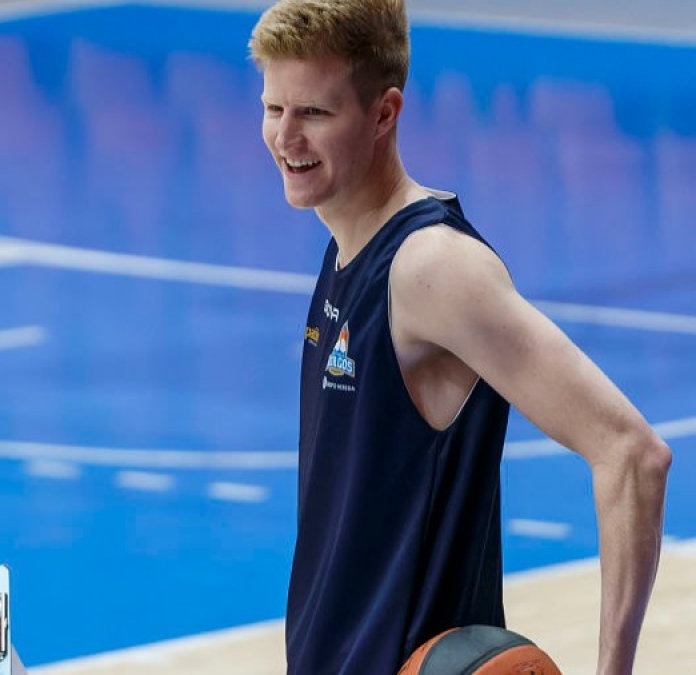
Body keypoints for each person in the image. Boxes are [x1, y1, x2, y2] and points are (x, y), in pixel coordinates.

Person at [248, 1, 670, 673]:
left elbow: (633, 454)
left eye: (315, 113)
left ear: (384, 113)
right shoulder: (345, 246)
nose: (286, 137)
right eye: (274, 108)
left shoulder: (433, 269)